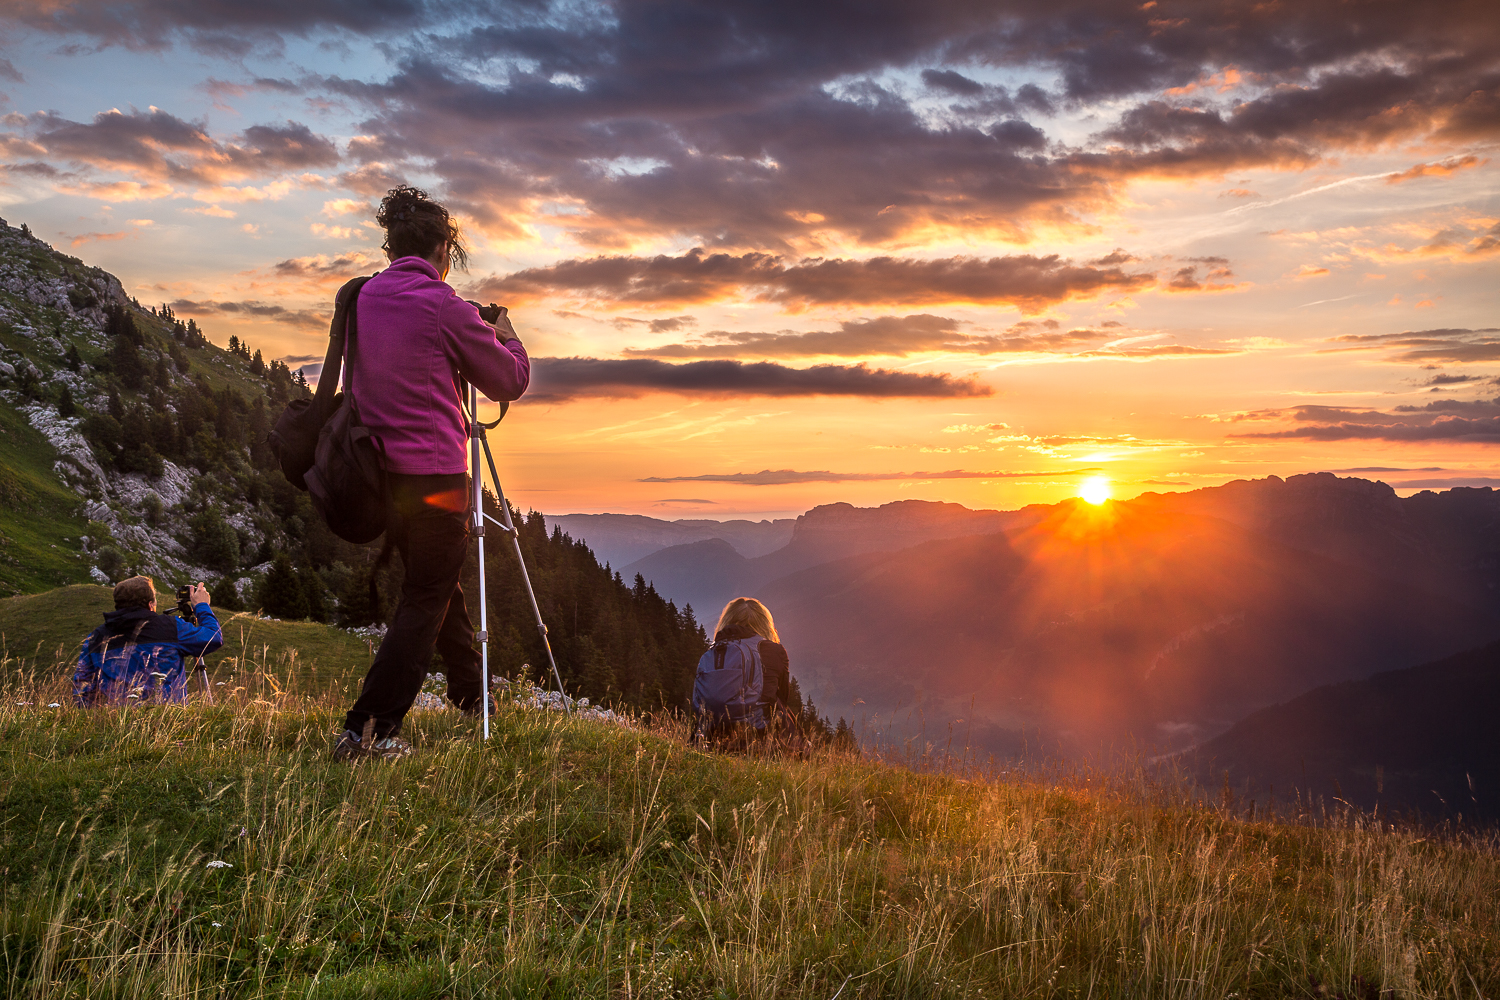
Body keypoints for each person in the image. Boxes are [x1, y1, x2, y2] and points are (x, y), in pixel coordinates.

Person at [333, 185, 530, 762]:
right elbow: (509, 381)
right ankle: (367, 731)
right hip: (439, 476)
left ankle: (472, 702)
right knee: (425, 597)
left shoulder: (365, 297)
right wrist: (505, 329)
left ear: (392, 245)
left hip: (382, 476)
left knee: (441, 588)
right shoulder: (445, 306)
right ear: (443, 248)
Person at [74, 576, 222, 705]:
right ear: (150, 605)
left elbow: (82, 687)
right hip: (167, 723)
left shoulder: (96, 637)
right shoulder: (170, 628)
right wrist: (202, 606)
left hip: (116, 727)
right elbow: (213, 637)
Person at [696, 597, 797, 750]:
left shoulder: (713, 653)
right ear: (764, 623)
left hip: (711, 737)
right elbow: (783, 696)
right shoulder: (775, 651)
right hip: (760, 739)